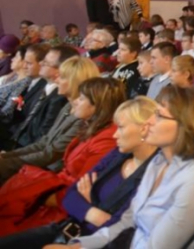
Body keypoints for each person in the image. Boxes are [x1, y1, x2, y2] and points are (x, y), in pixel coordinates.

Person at [67, 87, 194, 249]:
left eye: (159, 116)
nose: (149, 122)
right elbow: (126, 222)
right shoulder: (158, 161)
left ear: (187, 126)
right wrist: (79, 246)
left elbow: (156, 246)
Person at [0, 97, 157, 247]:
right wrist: (94, 212)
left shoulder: (154, 174)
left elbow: (119, 229)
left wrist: (89, 203)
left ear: (143, 129)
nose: (115, 134)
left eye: (121, 127)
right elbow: (71, 195)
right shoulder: (118, 154)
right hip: (66, 228)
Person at [0, 78, 125, 234]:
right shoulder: (90, 126)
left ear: (97, 105)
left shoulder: (106, 138)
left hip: (61, 204)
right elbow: (45, 143)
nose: (75, 102)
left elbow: (82, 187)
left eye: (81, 98)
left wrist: (40, 197)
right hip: (54, 190)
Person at [0, 57, 97, 185]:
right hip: (39, 164)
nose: (56, 80)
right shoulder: (68, 106)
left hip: (51, 173)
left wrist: (5, 163)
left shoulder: (83, 116)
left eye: (61, 77)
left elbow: (52, 153)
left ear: (75, 82)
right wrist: (6, 157)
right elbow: (44, 142)